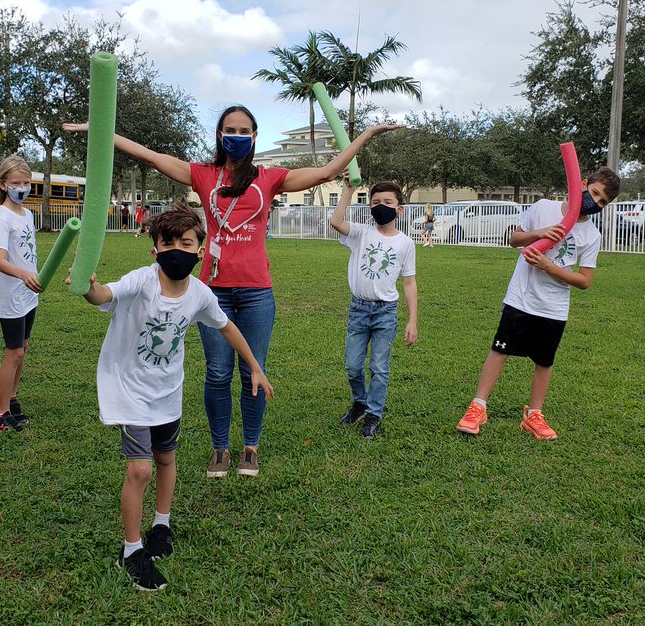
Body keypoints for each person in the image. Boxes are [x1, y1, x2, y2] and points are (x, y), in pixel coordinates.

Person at [64, 106, 401, 478]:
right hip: (213, 290)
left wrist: (367, 134)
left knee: (253, 372)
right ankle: (220, 448)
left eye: (244, 130)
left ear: (254, 136)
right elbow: (150, 155)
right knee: (217, 372)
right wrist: (100, 129)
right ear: (220, 135)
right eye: (229, 129)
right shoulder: (204, 175)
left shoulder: (270, 178)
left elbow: (326, 172)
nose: (236, 135)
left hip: (257, 291)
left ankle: (251, 447)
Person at [71, 202, 274, 591]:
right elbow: (104, 295)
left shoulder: (199, 293)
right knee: (140, 469)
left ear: (201, 251)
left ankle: (161, 524)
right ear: (155, 251)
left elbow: (227, 328)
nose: (176, 250)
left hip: (167, 392)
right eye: (168, 243)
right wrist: (88, 286)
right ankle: (132, 550)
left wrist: (256, 367)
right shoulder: (141, 281)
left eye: (186, 243)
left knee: (166, 459)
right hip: (130, 389)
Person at [455, 167, 621, 440]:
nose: (596, 202)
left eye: (602, 201)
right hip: (521, 297)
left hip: (553, 306)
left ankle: (534, 415)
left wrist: (549, 267)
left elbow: (584, 281)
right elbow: (514, 240)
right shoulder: (544, 207)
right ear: (581, 183)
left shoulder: (591, 235)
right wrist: (540, 233)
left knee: (544, 361)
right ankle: (478, 407)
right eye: (594, 193)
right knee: (500, 350)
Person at [329, 180, 418, 438]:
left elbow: (409, 282)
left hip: (385, 313)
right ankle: (360, 403)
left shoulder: (405, 243)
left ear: (399, 209)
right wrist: (347, 190)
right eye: (376, 202)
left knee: (379, 367)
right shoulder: (360, 233)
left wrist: (412, 320)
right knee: (353, 366)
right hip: (358, 309)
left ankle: (373, 415)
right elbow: (336, 221)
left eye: (388, 202)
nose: (381, 207)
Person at [0, 155, 41, 432]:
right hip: (10, 295)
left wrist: (32, 278)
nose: (22, 187)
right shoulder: (2, 218)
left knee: (24, 348)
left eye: (26, 182)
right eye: (16, 183)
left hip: (28, 294)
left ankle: (12, 398)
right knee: (14, 352)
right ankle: (0, 414)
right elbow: (1, 261)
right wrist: (25, 275)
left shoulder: (27, 214)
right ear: (3, 185)